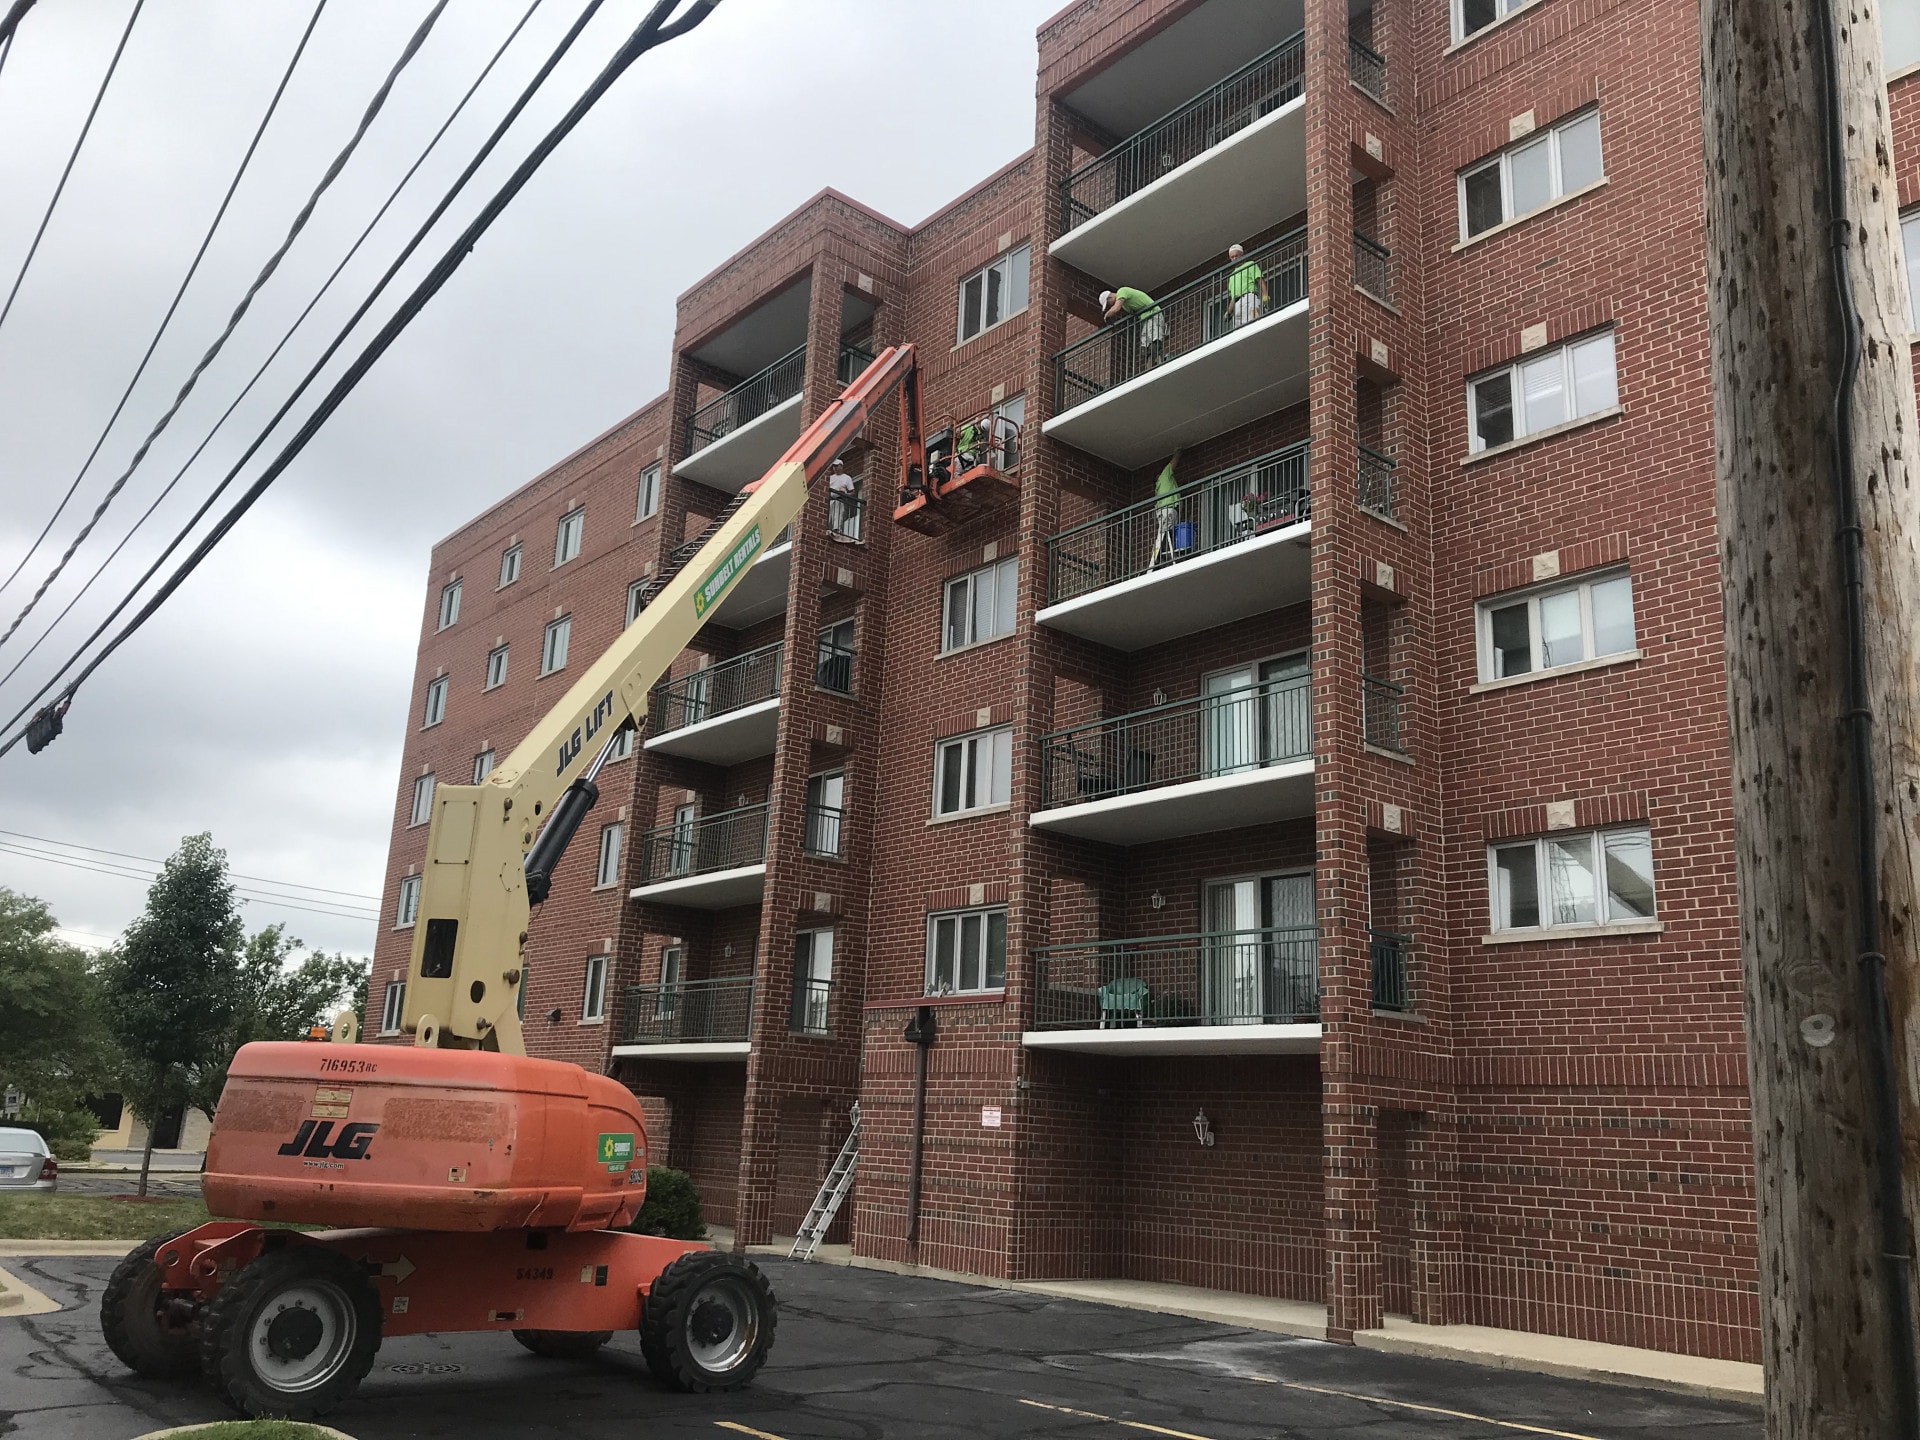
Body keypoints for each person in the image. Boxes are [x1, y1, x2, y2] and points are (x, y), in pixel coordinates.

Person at [1101, 286, 1168, 369]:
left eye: (1108, 303)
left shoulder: (1122, 291)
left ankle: (1160, 359)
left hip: (1153, 314)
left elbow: (1116, 308)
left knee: (1154, 341)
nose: (1110, 305)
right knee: (1146, 347)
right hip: (1146, 319)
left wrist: (1107, 315)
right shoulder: (1125, 305)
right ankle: (1153, 364)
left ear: (1109, 298)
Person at [1149, 448, 1184, 568]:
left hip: (1162, 513)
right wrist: (1179, 450)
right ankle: (1170, 558)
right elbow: (1174, 462)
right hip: (1169, 510)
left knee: (1164, 534)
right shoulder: (1164, 476)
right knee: (1169, 534)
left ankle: (1160, 558)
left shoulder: (1157, 489)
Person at [1225, 243, 1266, 329]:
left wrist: (1265, 295)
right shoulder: (1232, 276)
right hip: (1237, 303)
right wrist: (1228, 311)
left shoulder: (1250, 265)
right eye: (1232, 257)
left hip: (1249, 297)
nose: (1234, 258)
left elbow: (1260, 280)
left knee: (1254, 323)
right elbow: (1233, 297)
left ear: (1242, 255)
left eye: (1236, 256)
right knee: (1239, 329)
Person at [827, 458, 860, 540]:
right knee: (830, 516)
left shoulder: (846, 478)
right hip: (830, 499)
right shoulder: (830, 478)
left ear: (841, 466)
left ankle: (837, 530)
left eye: (836, 466)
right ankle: (829, 529)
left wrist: (845, 494)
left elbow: (853, 492)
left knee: (838, 516)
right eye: (834, 466)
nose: (834, 468)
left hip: (840, 499)